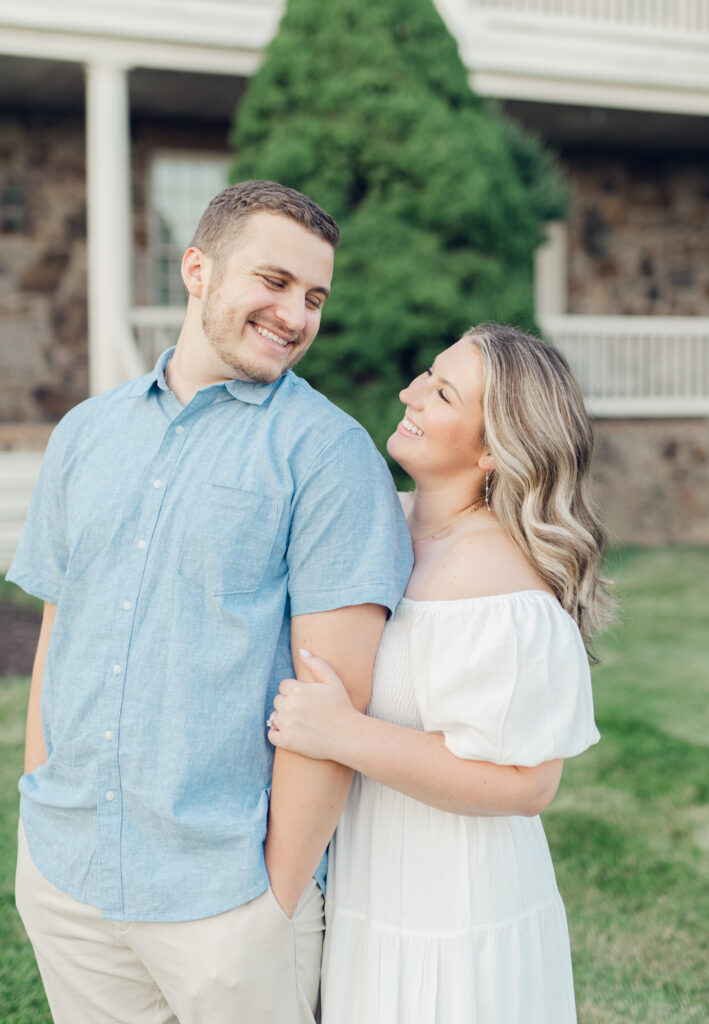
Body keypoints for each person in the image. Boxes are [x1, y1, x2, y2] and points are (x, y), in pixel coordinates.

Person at [8, 180, 412, 1024]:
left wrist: (270, 903)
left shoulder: (328, 455)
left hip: (226, 903)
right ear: (197, 270)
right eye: (272, 282)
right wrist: (36, 803)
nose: (294, 315)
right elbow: (60, 630)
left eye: (313, 297)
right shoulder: (87, 432)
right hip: (68, 873)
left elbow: (332, 700)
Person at [267, 322, 614, 1023]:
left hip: (454, 907)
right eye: (426, 375)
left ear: (491, 449)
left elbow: (528, 784)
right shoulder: (380, 521)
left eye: (441, 391)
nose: (409, 393)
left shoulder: (498, 583)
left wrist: (343, 734)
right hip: (369, 884)